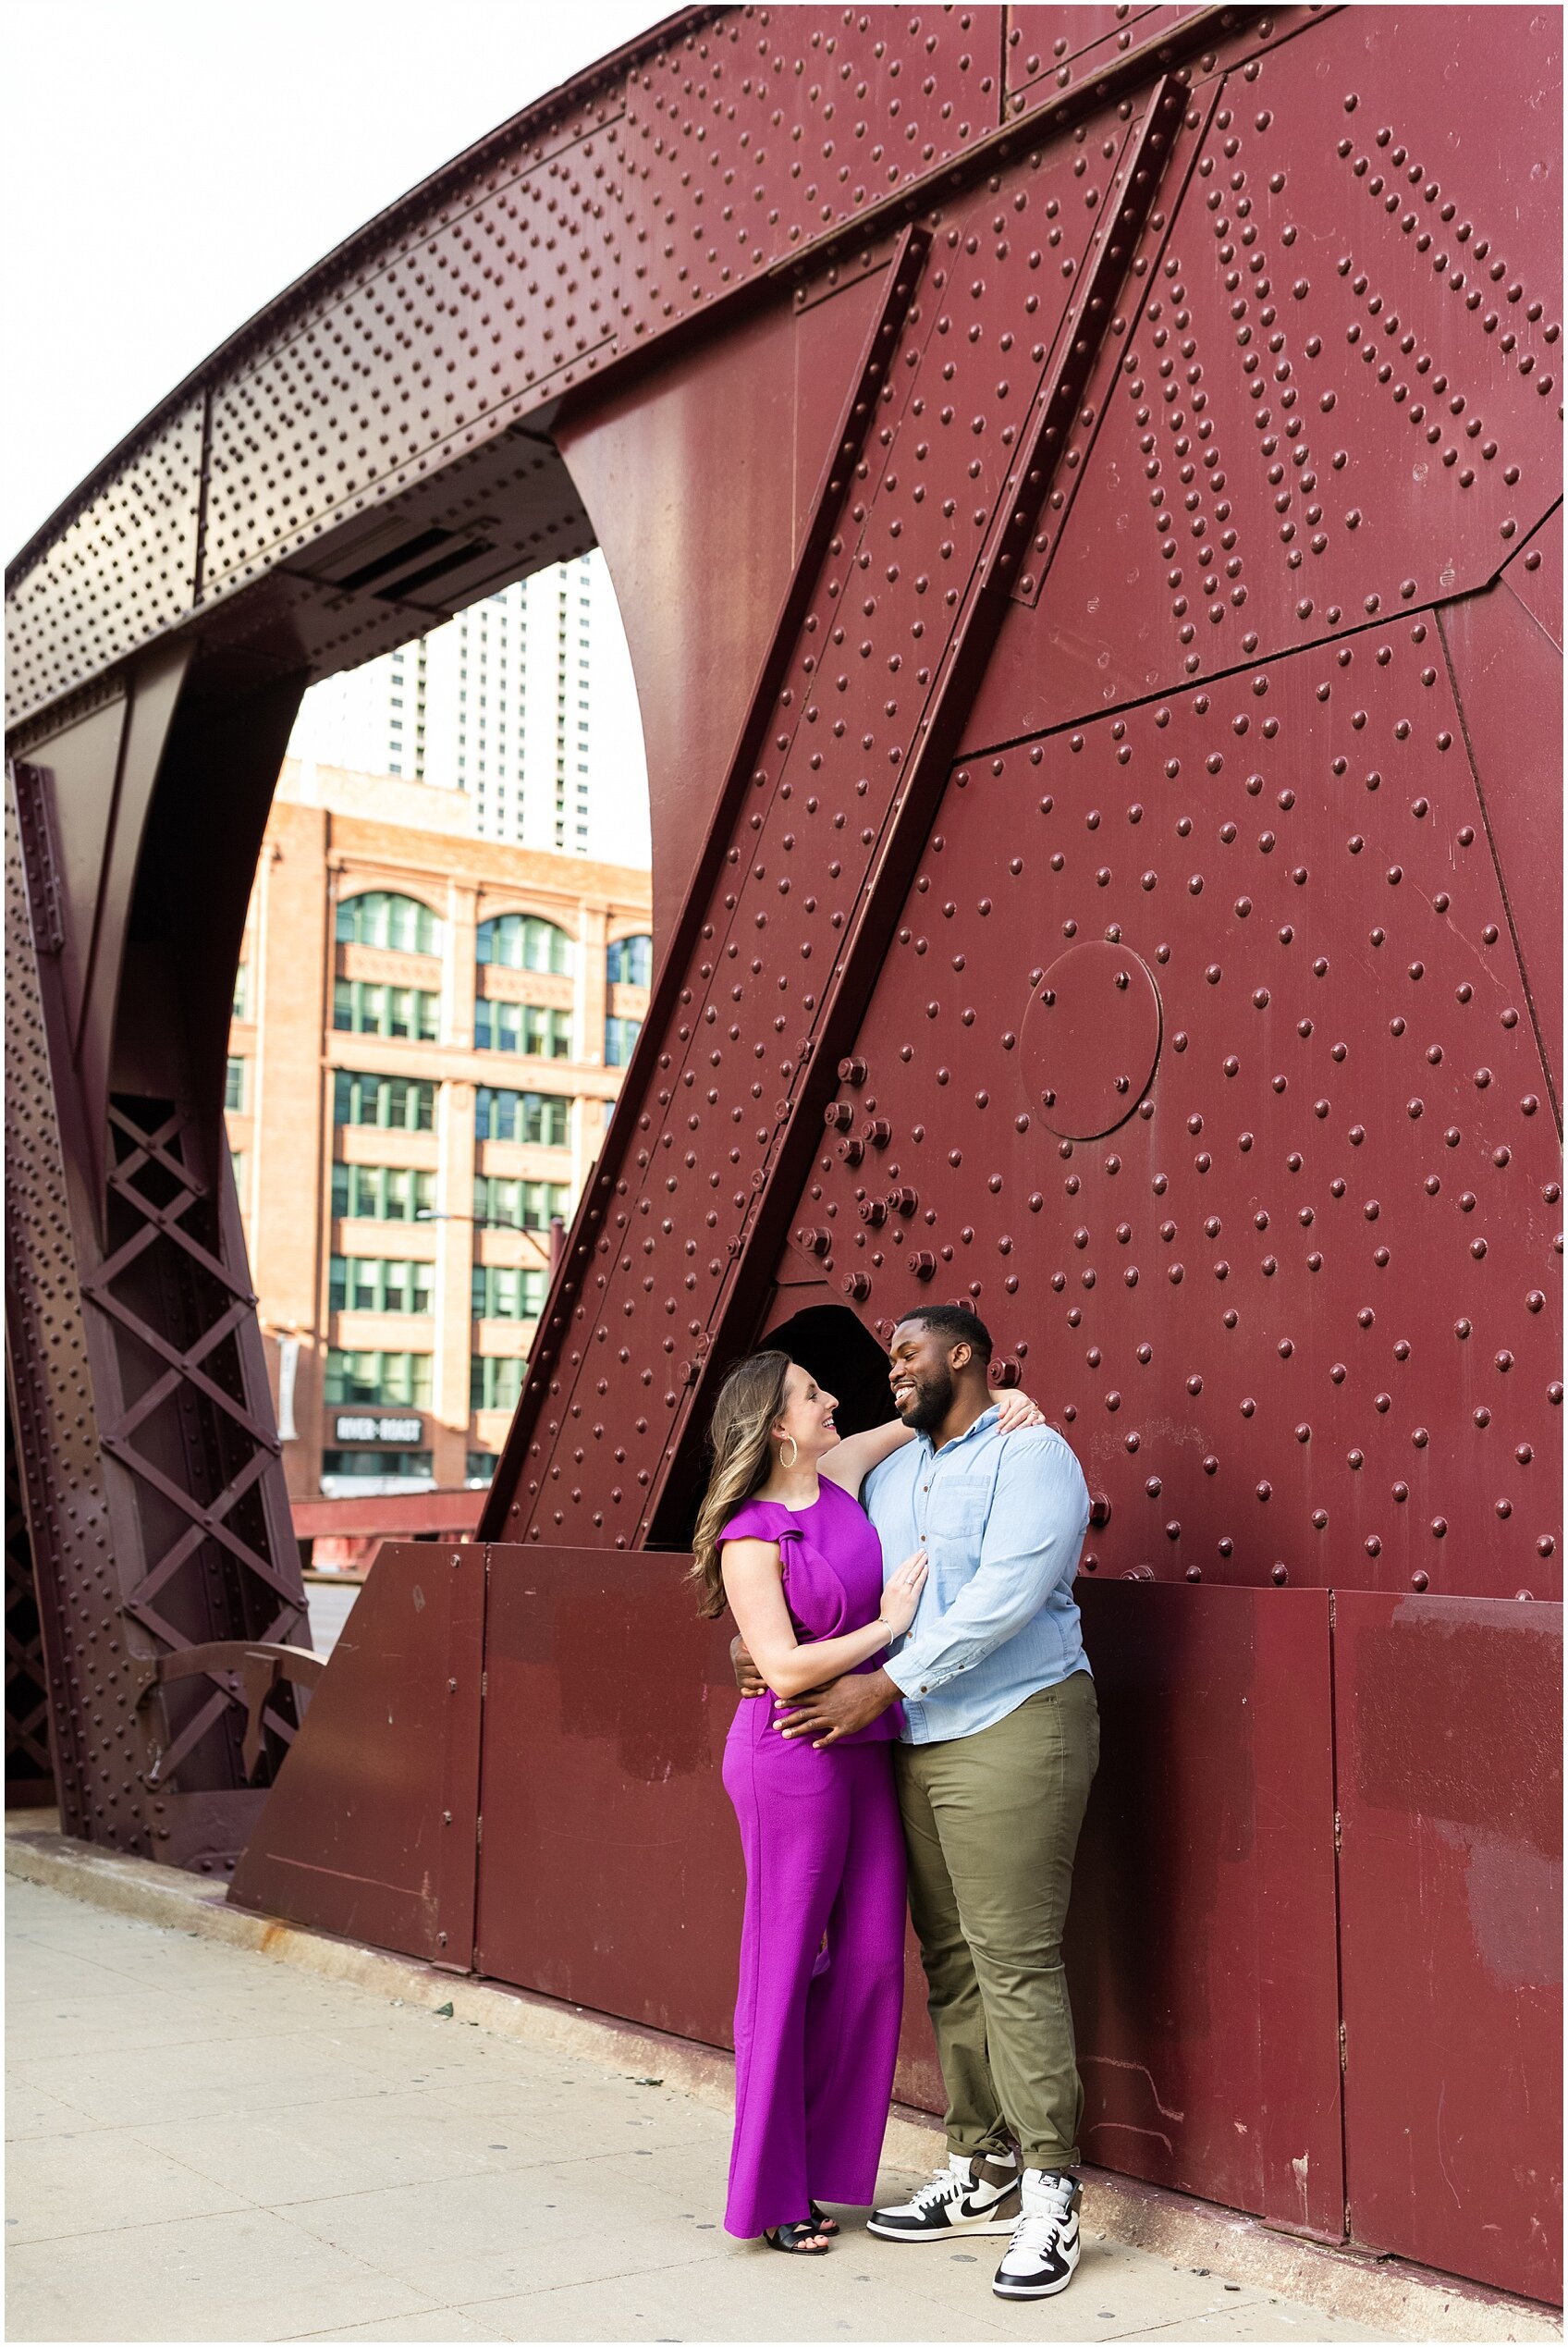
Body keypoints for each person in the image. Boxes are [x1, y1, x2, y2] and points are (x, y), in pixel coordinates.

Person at [732, 1305, 1097, 2302]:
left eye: (906, 1354)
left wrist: (883, 1684)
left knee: (1012, 1955)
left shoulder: (1033, 1457)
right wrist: (760, 1648)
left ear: (965, 1356)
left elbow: (1007, 1596)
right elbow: (813, 1557)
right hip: (914, 1740)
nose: (887, 1369)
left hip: (1011, 1719)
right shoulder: (890, 1473)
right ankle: (979, 2163)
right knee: (949, 1960)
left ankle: (1052, 2188)